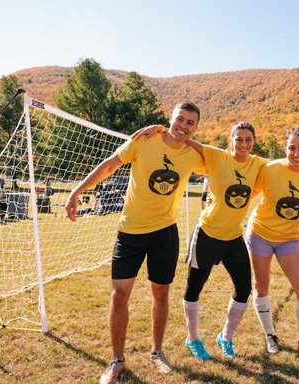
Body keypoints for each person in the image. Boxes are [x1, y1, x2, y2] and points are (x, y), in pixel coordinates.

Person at [64, 103, 206, 383]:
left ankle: (157, 352)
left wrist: (184, 136)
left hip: (165, 233)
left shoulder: (192, 154)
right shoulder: (144, 141)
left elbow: (221, 159)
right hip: (130, 233)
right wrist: (76, 191)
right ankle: (117, 360)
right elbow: (108, 166)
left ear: (196, 128)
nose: (184, 125)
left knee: (161, 294)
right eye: (180, 119)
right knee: (119, 295)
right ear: (170, 118)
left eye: (191, 123)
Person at [131, 121, 267, 360]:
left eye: (248, 140)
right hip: (207, 235)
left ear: (253, 142)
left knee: (244, 288)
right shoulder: (217, 156)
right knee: (195, 288)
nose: (243, 144)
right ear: (230, 141)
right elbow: (184, 139)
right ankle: (192, 338)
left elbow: (288, 164)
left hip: (234, 237)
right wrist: (161, 128)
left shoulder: (259, 164)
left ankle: (226, 336)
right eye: (239, 139)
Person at [247, 127, 299, 360]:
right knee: (262, 285)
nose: (296, 153)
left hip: (288, 239)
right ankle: (270, 335)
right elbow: (250, 193)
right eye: (292, 148)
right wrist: (215, 200)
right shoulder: (270, 169)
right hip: (260, 234)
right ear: (285, 148)